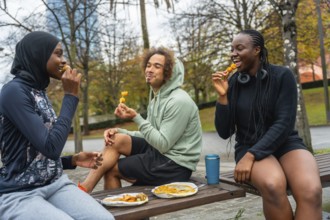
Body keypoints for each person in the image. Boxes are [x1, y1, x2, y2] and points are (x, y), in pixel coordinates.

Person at [0, 31, 114, 220]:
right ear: (39, 55)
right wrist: (70, 97)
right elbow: (51, 147)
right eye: (58, 54)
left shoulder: (39, 91)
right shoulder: (13, 92)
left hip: (55, 185)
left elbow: (35, 154)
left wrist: (72, 160)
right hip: (19, 193)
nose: (63, 60)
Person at [212, 29, 322, 219]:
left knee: (311, 190)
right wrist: (222, 96)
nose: (233, 54)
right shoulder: (233, 83)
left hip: (285, 143)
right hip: (248, 146)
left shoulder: (282, 76)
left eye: (239, 48)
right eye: (232, 49)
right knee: (272, 185)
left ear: (257, 50)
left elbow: (284, 124)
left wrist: (251, 156)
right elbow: (224, 132)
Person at [79, 47, 203, 192]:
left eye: (157, 66)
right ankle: (85, 188)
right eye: (148, 65)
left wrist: (136, 118)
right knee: (116, 139)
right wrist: (119, 131)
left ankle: (117, 212)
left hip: (175, 164)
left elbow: (163, 143)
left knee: (112, 169)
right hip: (160, 152)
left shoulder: (179, 101)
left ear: (169, 73)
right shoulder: (157, 99)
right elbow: (150, 134)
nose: (149, 69)